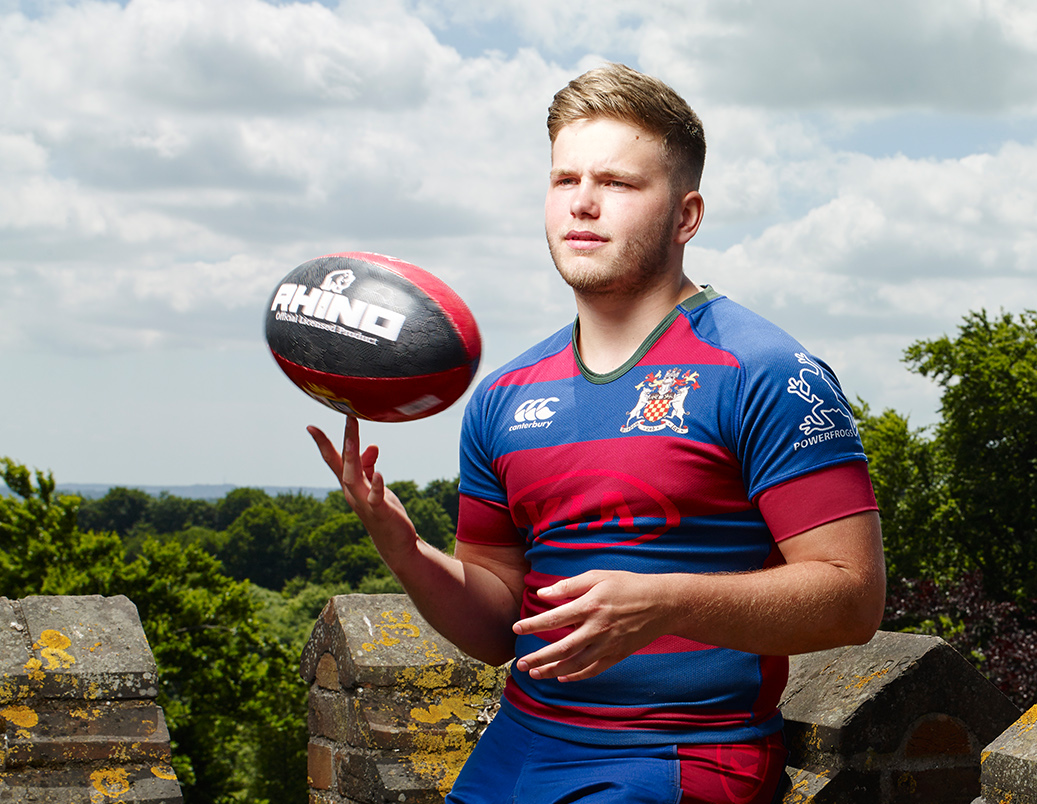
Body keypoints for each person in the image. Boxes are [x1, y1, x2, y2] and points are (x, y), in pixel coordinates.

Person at [307, 63, 885, 803]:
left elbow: (853, 600)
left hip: (683, 753)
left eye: (617, 183)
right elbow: (495, 626)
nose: (582, 203)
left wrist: (664, 603)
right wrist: (402, 547)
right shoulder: (503, 398)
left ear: (686, 216)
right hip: (519, 747)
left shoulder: (766, 370)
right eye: (563, 180)